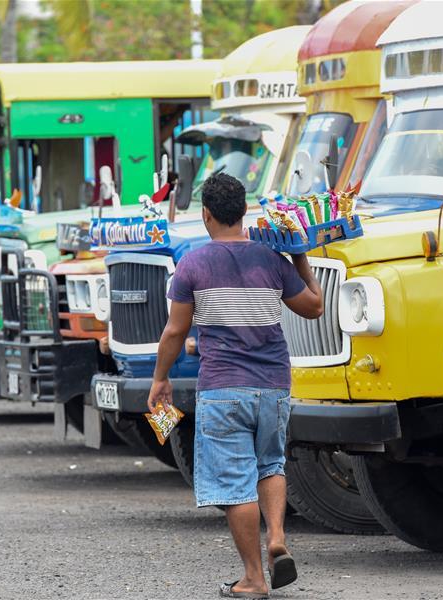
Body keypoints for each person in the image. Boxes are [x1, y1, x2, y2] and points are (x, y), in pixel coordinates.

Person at [147, 173, 323, 599]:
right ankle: (277, 537)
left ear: (206, 214)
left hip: (223, 388)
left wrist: (160, 378)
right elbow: (314, 307)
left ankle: (254, 577)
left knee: (234, 483)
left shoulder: (193, 264)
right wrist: (299, 255)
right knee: (271, 465)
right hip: (273, 387)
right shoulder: (272, 260)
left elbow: (175, 332)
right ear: (244, 212)